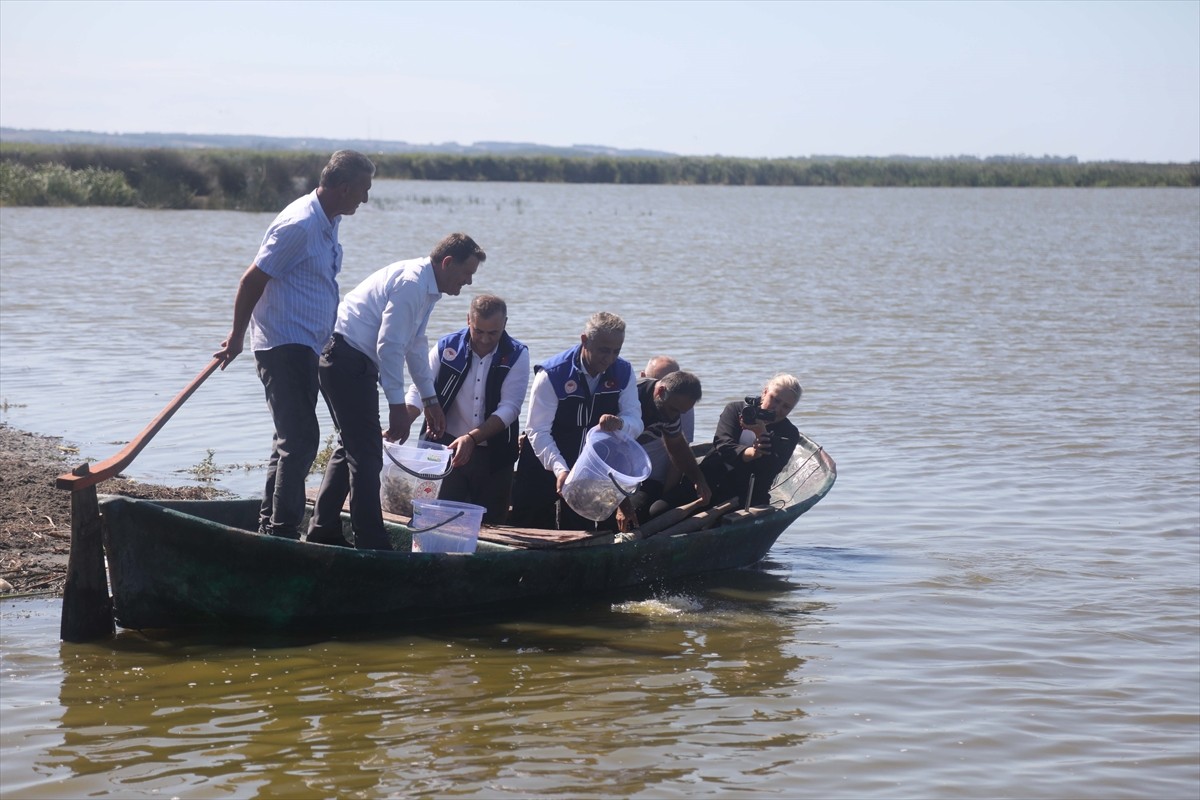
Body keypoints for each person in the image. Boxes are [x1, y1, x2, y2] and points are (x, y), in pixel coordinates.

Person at [213, 149, 375, 541]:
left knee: (290, 439)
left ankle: (271, 526)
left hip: (305, 345)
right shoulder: (300, 224)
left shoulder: (327, 221)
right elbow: (252, 281)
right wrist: (235, 337)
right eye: (363, 191)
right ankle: (283, 532)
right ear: (343, 187)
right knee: (301, 439)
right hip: (282, 345)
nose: (366, 199)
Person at [306, 233, 486, 550]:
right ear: (447, 263)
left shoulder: (428, 289)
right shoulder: (412, 284)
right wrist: (397, 406)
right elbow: (389, 346)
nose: (468, 281)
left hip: (350, 360)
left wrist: (431, 401)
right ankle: (371, 541)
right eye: (466, 273)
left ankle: (322, 529)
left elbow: (415, 346)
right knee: (366, 455)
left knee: (353, 445)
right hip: (346, 359)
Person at [509, 311, 644, 530]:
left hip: (593, 469)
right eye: (603, 350)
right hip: (544, 465)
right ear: (584, 341)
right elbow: (537, 431)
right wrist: (561, 469)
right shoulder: (552, 374)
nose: (609, 359)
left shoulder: (623, 372)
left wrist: (621, 424)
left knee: (588, 534)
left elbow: (635, 420)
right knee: (530, 530)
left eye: (615, 352)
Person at [403, 294, 530, 525]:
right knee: (432, 519)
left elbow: (510, 408)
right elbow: (420, 388)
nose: (484, 339)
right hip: (444, 450)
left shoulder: (517, 354)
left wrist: (471, 439)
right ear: (468, 320)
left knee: (491, 526)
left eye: (493, 333)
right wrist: (403, 421)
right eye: (478, 331)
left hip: (494, 455)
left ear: (505, 324)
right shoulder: (446, 346)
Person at [700, 374, 803, 508]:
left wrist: (761, 433)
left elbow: (770, 470)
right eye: (775, 400)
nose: (777, 409)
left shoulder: (789, 432)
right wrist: (751, 452)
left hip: (748, 493)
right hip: (710, 479)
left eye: (786, 407)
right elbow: (723, 446)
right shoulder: (737, 410)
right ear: (765, 393)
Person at [626, 370, 712, 526]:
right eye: (674, 410)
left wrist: (698, 479)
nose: (675, 416)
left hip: (637, 478)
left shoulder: (669, 411)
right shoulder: (632, 396)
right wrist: (622, 504)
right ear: (660, 391)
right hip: (600, 470)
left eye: (681, 412)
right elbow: (611, 452)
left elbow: (677, 447)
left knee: (640, 515)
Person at [638, 356, 696, 490]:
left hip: (651, 479)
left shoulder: (680, 405)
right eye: (658, 383)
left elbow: (679, 453)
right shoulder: (631, 395)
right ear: (643, 376)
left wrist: (666, 494)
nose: (663, 392)